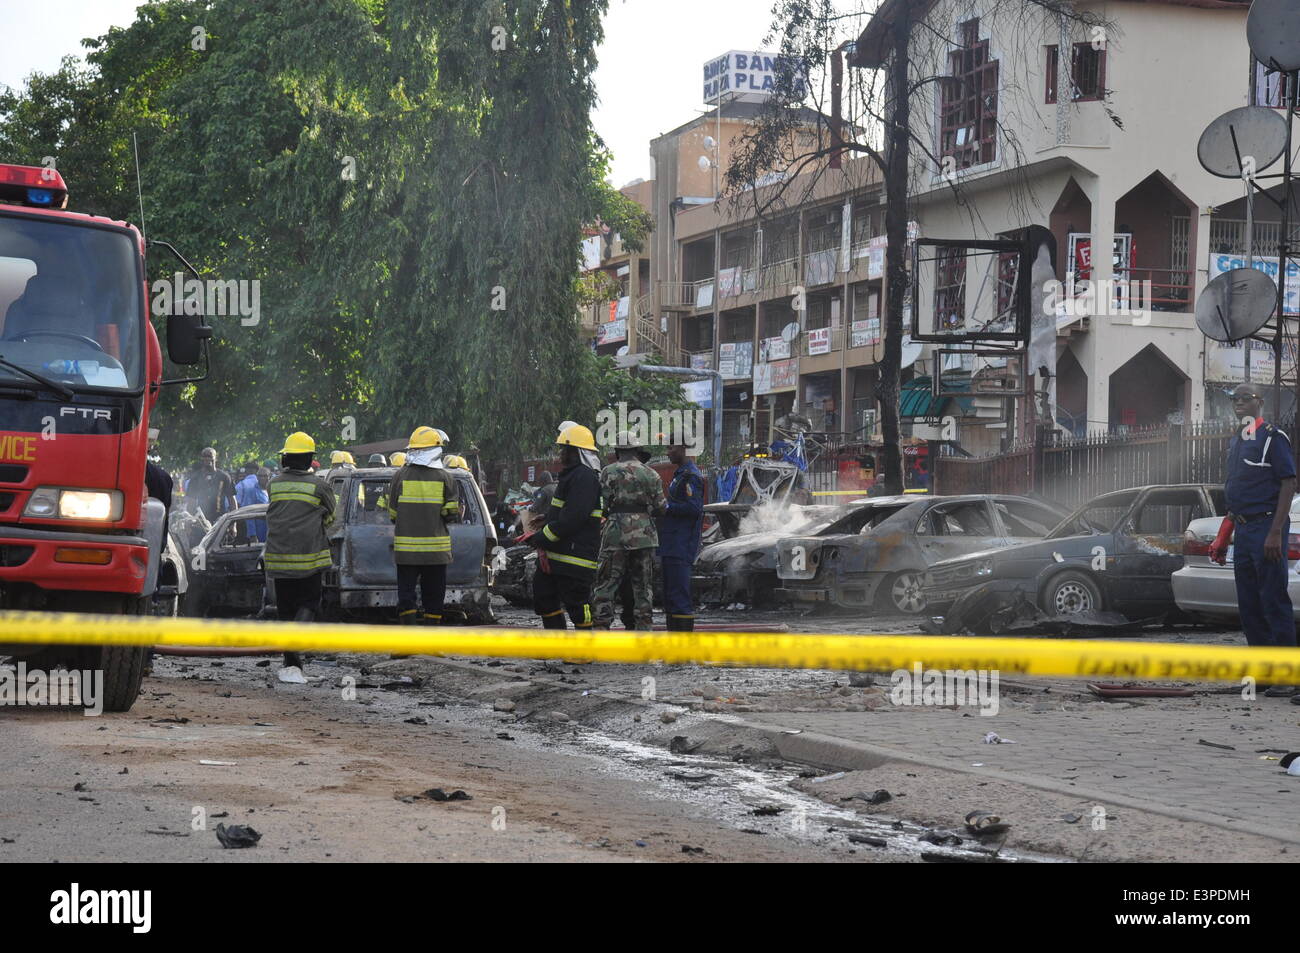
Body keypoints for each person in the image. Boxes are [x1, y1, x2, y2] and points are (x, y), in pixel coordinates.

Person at [1210, 384, 1297, 696]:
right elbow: (1237, 495)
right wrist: (1224, 536)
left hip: (1266, 527)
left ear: (1260, 402)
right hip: (1244, 530)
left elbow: (1288, 483)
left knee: (1273, 599)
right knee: (1249, 606)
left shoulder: (1273, 438)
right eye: (1234, 399)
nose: (1239, 404)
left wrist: (1275, 532)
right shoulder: (1237, 440)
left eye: (1245, 398)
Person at [264, 431, 336, 678]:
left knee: (285, 609)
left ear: (286, 459)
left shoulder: (273, 483)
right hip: (309, 560)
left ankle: (291, 663)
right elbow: (332, 516)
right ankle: (296, 645)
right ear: (309, 459)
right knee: (309, 603)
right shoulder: (320, 486)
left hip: (278, 559)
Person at [526, 424, 603, 629]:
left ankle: (582, 651)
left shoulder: (584, 477)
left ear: (575, 452)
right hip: (558, 554)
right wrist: (547, 519)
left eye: (564, 450)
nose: (561, 454)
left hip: (575, 556)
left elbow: (574, 518)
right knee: (544, 596)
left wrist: (542, 537)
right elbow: (567, 511)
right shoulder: (572, 475)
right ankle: (557, 644)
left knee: (577, 605)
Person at [592, 432, 666, 630]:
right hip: (644, 536)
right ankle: (643, 632)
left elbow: (602, 506)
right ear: (638, 450)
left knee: (607, 584)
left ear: (617, 451)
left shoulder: (608, 472)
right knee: (643, 587)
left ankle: (600, 629)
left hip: (615, 534)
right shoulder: (651, 473)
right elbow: (661, 507)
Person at [387, 426, 460, 625]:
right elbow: (451, 514)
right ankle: (431, 643)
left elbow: (392, 513)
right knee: (434, 596)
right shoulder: (446, 478)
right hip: (436, 552)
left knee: (406, 595)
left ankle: (409, 642)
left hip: (406, 553)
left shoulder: (399, 476)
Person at [658, 430, 705, 631]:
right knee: (670, 595)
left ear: (682, 448)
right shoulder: (680, 475)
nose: (668, 452)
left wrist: (666, 508)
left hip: (681, 544)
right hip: (671, 543)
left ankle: (683, 645)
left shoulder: (691, 476)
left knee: (679, 595)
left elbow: (694, 509)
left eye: (670, 447)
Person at [184, 447, 236, 522]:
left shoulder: (224, 477)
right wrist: (190, 522)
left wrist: (233, 524)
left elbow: (232, 502)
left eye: (209, 456)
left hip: (220, 520)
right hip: (200, 521)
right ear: (201, 459)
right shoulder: (195, 478)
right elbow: (191, 503)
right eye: (204, 456)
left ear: (216, 458)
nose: (207, 458)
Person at [235, 461, 269, 541]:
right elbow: (249, 513)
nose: (262, 478)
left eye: (265, 476)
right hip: (258, 530)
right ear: (257, 476)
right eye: (260, 476)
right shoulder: (252, 491)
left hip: (270, 529)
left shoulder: (271, 489)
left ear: (269, 477)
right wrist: (252, 534)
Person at [517, 471, 556, 537]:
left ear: (543, 480)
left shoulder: (544, 491)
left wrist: (529, 507)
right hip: (555, 518)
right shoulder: (556, 487)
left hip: (543, 520)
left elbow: (535, 507)